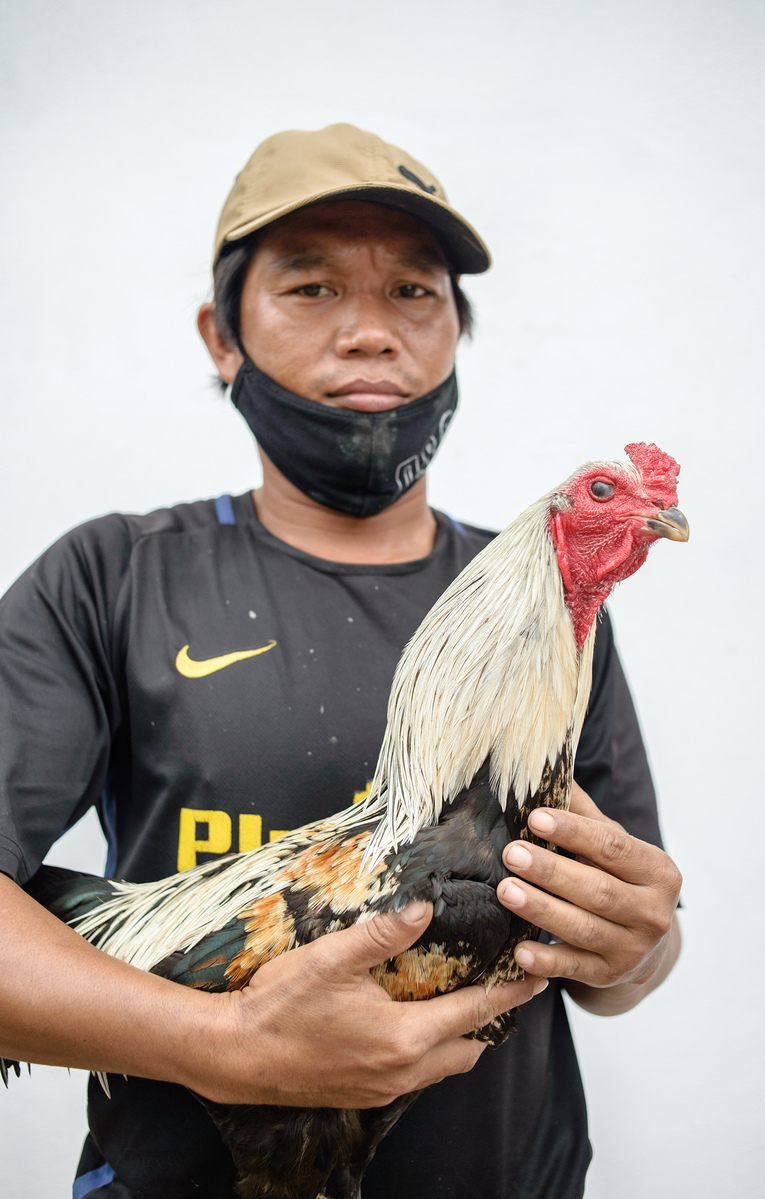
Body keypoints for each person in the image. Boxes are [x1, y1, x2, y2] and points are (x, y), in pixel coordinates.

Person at [0, 123, 681, 1199]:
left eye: (413, 291)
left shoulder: (550, 612)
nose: (369, 331)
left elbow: (624, 960)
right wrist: (225, 1041)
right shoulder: (109, 577)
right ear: (219, 337)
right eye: (311, 288)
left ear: (457, 329)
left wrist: (636, 944)